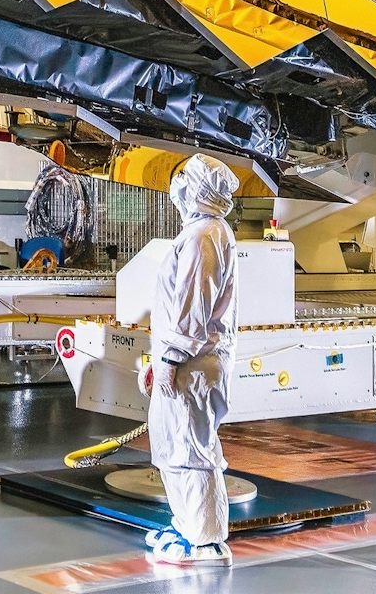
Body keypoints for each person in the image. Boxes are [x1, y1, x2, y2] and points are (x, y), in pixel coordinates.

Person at [139, 152, 240, 566]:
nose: (177, 189)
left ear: (198, 190)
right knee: (176, 447)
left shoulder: (205, 237)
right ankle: (188, 527)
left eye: (186, 181)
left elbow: (193, 307)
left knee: (190, 450)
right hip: (188, 362)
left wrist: (171, 357)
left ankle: (206, 542)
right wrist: (160, 356)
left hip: (192, 365)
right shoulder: (205, 232)